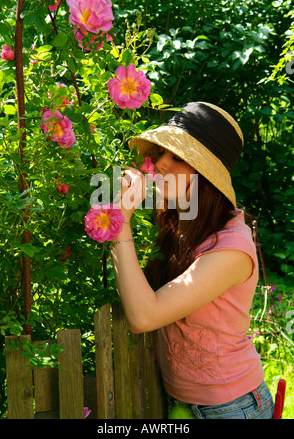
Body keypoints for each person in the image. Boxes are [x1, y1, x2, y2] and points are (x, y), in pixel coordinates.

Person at [110, 101, 275, 419]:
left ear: (206, 176)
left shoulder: (231, 249)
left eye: (177, 157)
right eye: (161, 153)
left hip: (231, 407)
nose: (160, 164)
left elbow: (144, 316)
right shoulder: (180, 223)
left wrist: (119, 223)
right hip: (183, 402)